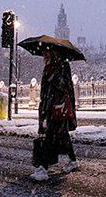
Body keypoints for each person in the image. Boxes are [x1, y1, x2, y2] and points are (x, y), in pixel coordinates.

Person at [30, 49, 78, 181]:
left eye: (47, 52)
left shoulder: (63, 65)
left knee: (50, 136)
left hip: (58, 107)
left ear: (54, 53)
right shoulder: (49, 66)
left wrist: (53, 76)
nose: (44, 54)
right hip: (50, 106)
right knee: (62, 135)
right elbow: (46, 89)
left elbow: (66, 85)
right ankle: (72, 161)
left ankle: (44, 169)